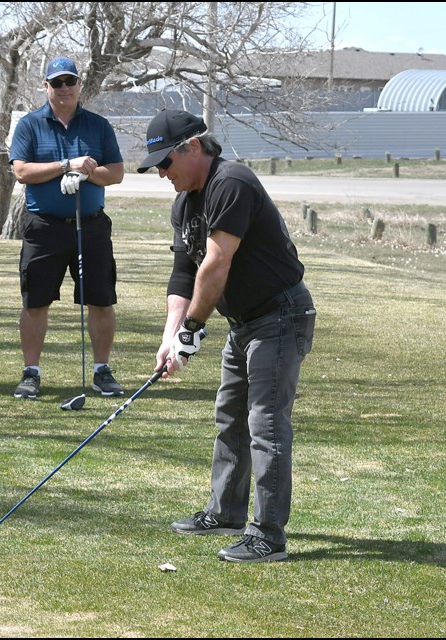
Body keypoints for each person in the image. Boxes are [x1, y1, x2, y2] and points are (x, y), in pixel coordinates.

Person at [138, 109, 316, 563]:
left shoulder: (230, 182)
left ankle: (268, 536)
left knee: (265, 423)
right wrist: (171, 337)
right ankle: (226, 512)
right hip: (244, 324)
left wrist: (193, 330)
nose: (161, 173)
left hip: (280, 315)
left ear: (193, 148)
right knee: (230, 417)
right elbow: (183, 275)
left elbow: (216, 265)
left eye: (165, 162)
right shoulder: (184, 202)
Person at [8, 56, 125, 400]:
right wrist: (64, 165)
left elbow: (116, 173)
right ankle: (31, 372)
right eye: (56, 83)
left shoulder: (98, 126)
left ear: (79, 85)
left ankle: (102, 371)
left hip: (90, 227)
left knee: (101, 300)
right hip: (44, 227)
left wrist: (87, 172)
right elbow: (21, 172)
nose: (64, 89)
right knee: (35, 302)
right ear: (46, 87)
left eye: (69, 82)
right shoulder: (29, 125)